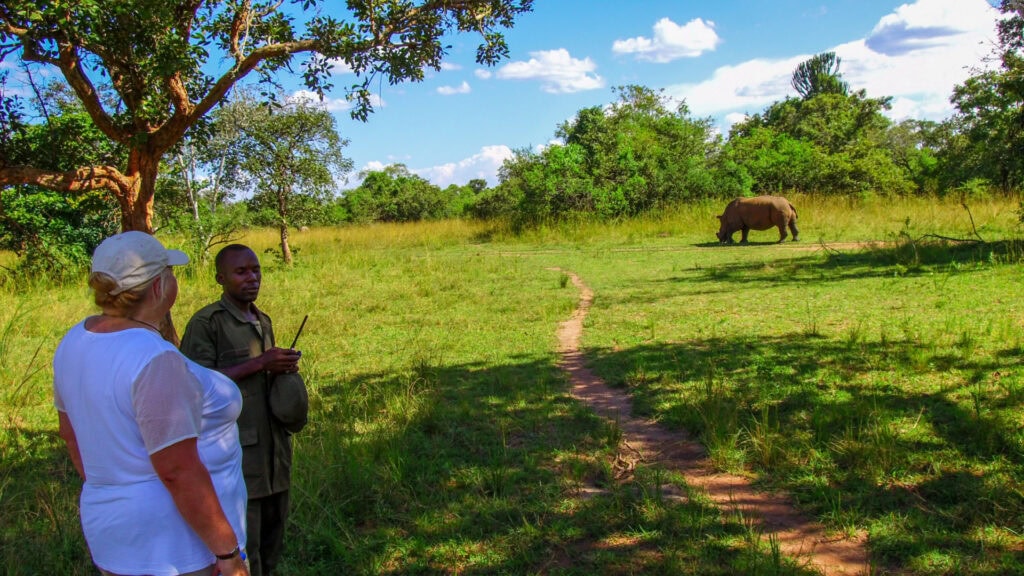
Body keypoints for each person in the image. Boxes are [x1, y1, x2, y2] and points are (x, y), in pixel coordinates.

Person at [53, 231, 249, 576]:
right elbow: (178, 470)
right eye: (170, 273)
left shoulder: (75, 339)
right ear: (159, 287)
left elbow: (70, 434)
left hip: (113, 533)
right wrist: (227, 552)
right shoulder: (154, 358)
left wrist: (117, 492)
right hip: (174, 547)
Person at [180, 244, 304, 576]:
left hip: (274, 454)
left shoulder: (262, 320)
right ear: (221, 278)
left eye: (256, 270)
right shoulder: (208, 323)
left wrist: (280, 369)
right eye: (241, 272)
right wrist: (260, 362)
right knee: (244, 551)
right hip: (237, 456)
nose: (252, 278)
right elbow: (192, 385)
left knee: (272, 545)